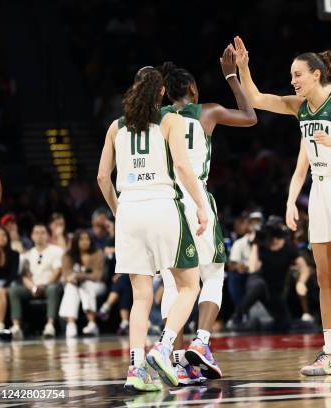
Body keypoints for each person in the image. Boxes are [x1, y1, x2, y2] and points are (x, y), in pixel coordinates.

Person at [234, 36, 331, 376]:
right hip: (319, 191)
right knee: (324, 275)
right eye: (291, 75)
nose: (293, 81)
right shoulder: (298, 106)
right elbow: (256, 98)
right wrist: (244, 68)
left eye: (298, 74)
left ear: (316, 74)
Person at [97, 66, 208, 392]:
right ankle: (163, 347)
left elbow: (103, 177)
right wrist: (201, 205)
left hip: (130, 210)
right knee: (190, 285)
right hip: (163, 205)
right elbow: (184, 168)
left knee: (141, 295)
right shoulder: (170, 121)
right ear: (161, 93)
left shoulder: (115, 128)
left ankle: (135, 369)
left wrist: (119, 211)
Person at [157, 46, 257, 383]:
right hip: (194, 195)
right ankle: (200, 343)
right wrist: (232, 77)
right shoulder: (208, 112)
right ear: (194, 90)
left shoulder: (156, 120)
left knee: (174, 280)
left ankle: (174, 359)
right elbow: (250, 116)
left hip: (163, 199)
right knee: (212, 273)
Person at [227, 216, 310, 330]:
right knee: (259, 285)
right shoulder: (262, 245)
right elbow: (252, 268)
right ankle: (239, 314)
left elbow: (305, 268)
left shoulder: (289, 248)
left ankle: (262, 325)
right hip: (258, 285)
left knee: (284, 324)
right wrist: (256, 244)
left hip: (275, 290)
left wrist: (301, 282)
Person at [8, 224, 64, 339]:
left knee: (53, 289)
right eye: (36, 233)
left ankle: (50, 325)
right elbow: (25, 275)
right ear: (32, 236)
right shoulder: (28, 254)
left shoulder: (56, 250)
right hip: (33, 287)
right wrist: (33, 287)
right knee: (14, 290)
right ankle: (16, 327)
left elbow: (58, 271)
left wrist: (45, 286)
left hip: (49, 285)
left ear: (48, 236)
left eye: (42, 232)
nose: (39, 235)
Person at [58, 230, 107, 337]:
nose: (85, 242)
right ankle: (71, 323)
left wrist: (78, 276)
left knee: (86, 286)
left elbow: (97, 276)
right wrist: (72, 278)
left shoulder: (97, 253)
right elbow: (66, 275)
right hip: (76, 285)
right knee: (71, 287)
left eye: (87, 239)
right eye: (82, 239)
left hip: (97, 285)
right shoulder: (67, 255)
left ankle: (92, 323)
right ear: (75, 241)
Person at [0, 226, 19, 332]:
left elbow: (13, 274)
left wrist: (2, 287)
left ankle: (0, 324)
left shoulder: (14, 254)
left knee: (1, 292)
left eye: (4, 235)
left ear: (8, 238)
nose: (1, 238)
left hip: (10, 284)